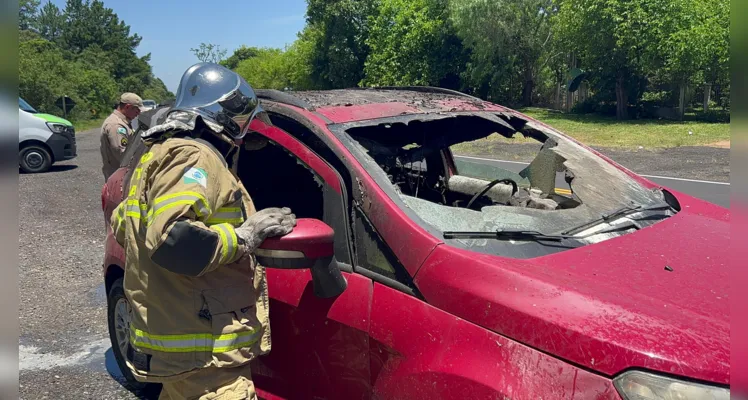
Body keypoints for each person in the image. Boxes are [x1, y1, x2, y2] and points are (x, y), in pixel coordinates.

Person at [110, 62, 296, 400]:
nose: (242, 132)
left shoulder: (157, 154)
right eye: (241, 121)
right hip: (207, 362)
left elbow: (125, 226)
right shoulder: (194, 156)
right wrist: (243, 237)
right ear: (223, 114)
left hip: (181, 351)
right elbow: (171, 239)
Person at [100, 93, 144, 180]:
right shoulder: (116, 125)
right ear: (127, 107)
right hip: (119, 177)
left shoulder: (123, 122)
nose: (138, 113)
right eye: (136, 110)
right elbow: (123, 156)